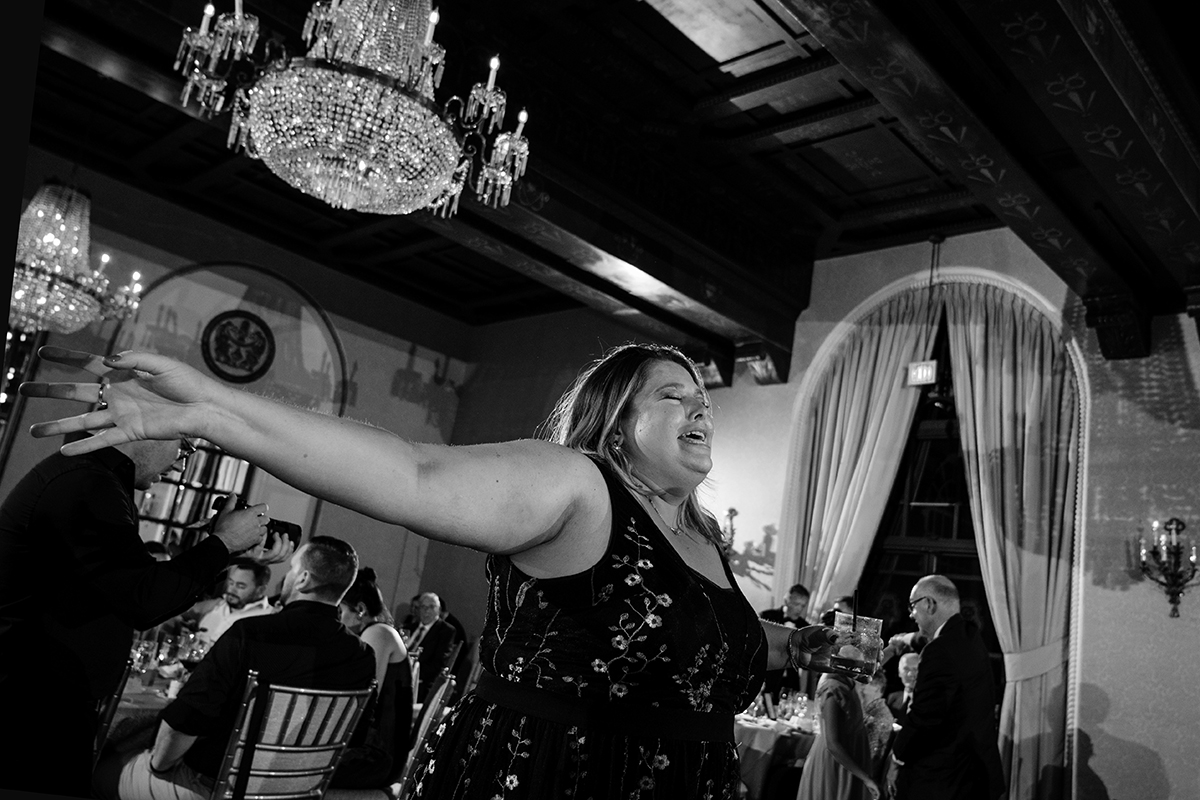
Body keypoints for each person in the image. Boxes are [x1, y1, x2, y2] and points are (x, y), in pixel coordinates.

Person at [21, 342, 840, 799]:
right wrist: (216, 412)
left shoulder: (701, 535)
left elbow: (695, 642)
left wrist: (791, 646)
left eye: (705, 397)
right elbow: (411, 474)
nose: (702, 407)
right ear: (616, 426)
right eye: (674, 394)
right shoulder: (577, 483)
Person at [0, 432, 283, 798]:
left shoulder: (96, 479)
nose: (185, 459)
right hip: (31, 701)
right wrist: (223, 544)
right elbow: (144, 599)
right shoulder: (87, 483)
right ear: (145, 428)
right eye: (183, 445)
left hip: (44, 695)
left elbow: (140, 590)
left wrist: (223, 552)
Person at [93, 536, 376, 800]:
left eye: (291, 569)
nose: (287, 576)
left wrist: (159, 767)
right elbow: (353, 737)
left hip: (215, 788)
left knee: (99, 769)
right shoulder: (362, 656)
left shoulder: (252, 633)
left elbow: (187, 721)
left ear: (303, 578)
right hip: (296, 792)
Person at [889, 575, 1005, 800]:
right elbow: (931, 641)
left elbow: (923, 717)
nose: (911, 615)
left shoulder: (939, 652)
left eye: (913, 606)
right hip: (977, 771)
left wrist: (896, 758)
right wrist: (905, 640)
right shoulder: (970, 635)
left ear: (929, 604)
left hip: (945, 779)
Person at [330, 567, 411, 793]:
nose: (339, 620)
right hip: (375, 749)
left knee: (300, 766)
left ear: (360, 610)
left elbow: (365, 698)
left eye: (341, 612)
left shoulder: (378, 634)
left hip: (377, 756)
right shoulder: (376, 631)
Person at [796, 610, 881, 800]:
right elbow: (833, 743)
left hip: (848, 760)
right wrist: (865, 778)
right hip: (835, 764)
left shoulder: (847, 678)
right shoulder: (833, 686)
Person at [187, 557, 276, 645]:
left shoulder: (268, 618)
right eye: (231, 583)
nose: (231, 589)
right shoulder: (217, 604)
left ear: (260, 590)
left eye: (240, 586)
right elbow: (181, 614)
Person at [758, 583, 812, 700]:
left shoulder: (806, 628)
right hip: (767, 678)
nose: (799, 609)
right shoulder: (767, 617)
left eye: (803, 605)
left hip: (790, 683)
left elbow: (805, 665)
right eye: (796, 604)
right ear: (786, 600)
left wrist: (802, 692)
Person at [402, 591, 459, 703]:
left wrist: (411, 674)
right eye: (423, 607)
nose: (426, 611)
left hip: (421, 681)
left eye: (431, 607)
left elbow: (439, 663)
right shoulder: (409, 628)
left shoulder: (446, 631)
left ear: (438, 610)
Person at [886, 652, 920, 728]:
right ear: (899, 672)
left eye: (915, 669)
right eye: (906, 669)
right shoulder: (892, 698)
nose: (910, 674)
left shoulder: (930, 701)